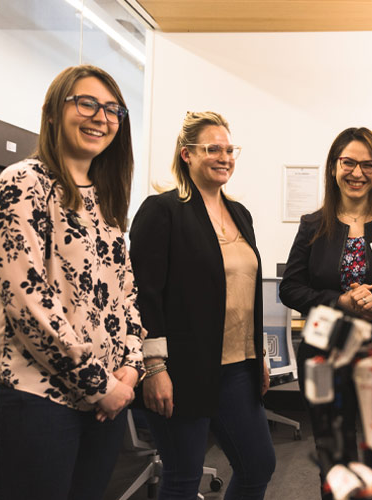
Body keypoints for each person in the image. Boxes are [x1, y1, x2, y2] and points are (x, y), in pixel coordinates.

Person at [0, 65, 143, 500]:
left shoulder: (105, 198)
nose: (100, 117)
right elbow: (28, 302)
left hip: (104, 400)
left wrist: (131, 365)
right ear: (53, 112)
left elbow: (123, 295)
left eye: (112, 109)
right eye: (86, 103)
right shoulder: (23, 182)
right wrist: (101, 385)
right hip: (36, 399)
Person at [129, 111, 275, 500]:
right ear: (186, 154)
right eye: (212, 148)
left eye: (229, 149)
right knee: (182, 476)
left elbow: (244, 292)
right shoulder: (162, 211)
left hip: (239, 368)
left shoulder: (240, 214)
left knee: (258, 465)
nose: (224, 157)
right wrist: (154, 367)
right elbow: (145, 294)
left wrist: (257, 352)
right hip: (182, 368)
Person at [279, 127, 372, 497]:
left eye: (368, 165)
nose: (357, 173)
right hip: (326, 355)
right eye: (349, 162)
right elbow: (290, 288)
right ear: (334, 167)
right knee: (335, 460)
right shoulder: (314, 225)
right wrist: (339, 301)